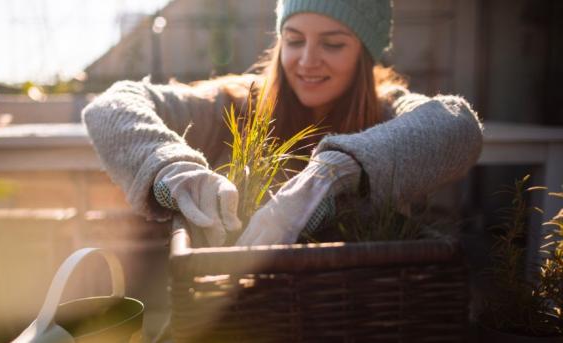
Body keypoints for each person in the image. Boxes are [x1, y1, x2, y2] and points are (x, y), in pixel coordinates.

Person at [82, 0, 483, 248]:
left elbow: (458, 124)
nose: (308, 60)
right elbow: (111, 106)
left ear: (365, 52)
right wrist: (174, 168)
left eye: (333, 43)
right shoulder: (237, 105)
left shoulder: (386, 111)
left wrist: (330, 175)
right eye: (294, 40)